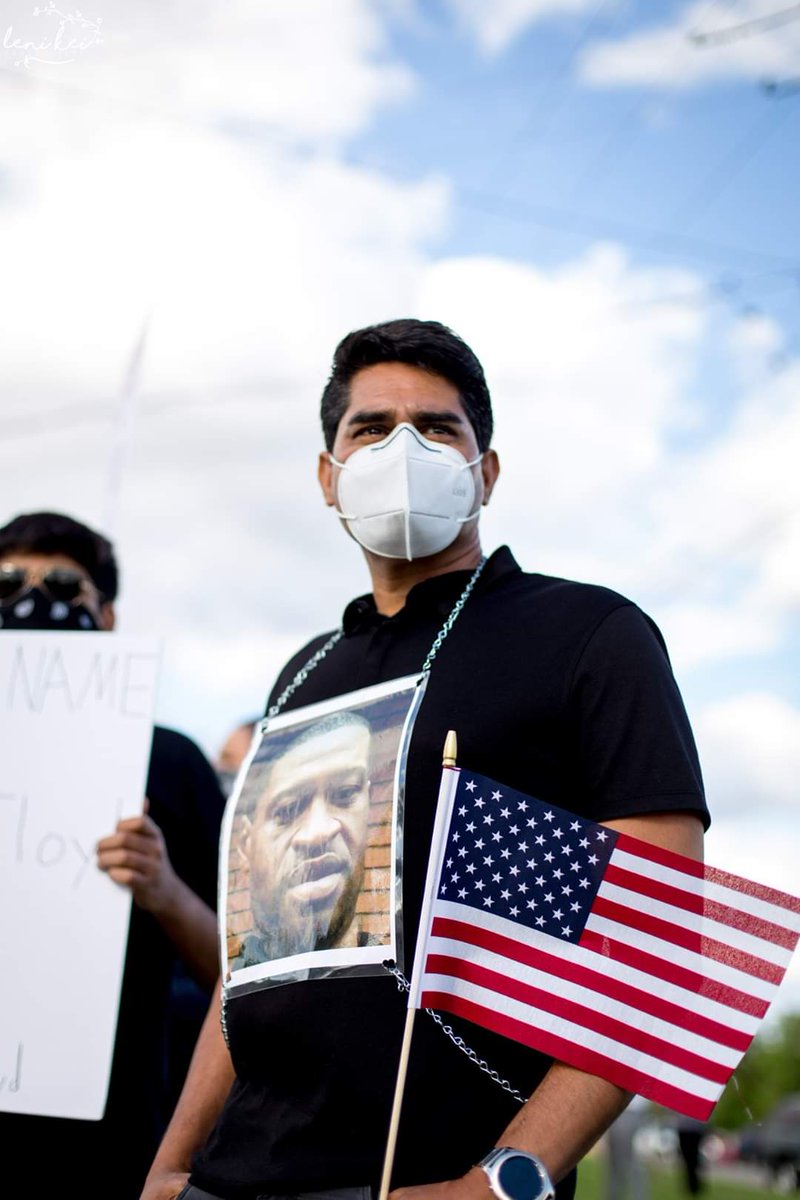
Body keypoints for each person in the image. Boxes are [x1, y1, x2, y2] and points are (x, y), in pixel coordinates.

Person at [143, 319, 708, 1200]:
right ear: (329, 478)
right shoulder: (302, 676)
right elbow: (260, 956)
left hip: (440, 1178)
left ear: (485, 472)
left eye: (437, 427)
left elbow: (655, 942)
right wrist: (170, 1165)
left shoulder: (590, 634)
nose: (402, 446)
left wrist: (498, 1184)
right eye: (370, 428)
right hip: (231, 1176)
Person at [0, 510, 226, 1200]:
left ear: (107, 615)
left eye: (65, 590)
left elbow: (240, 972)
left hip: (108, 1134)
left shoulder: (171, 761)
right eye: (8, 588)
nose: (35, 605)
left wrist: (162, 888)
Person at [230, 711, 373, 967]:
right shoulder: (235, 982)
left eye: (345, 793)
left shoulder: (411, 982)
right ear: (245, 846)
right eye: (287, 810)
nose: (318, 832)